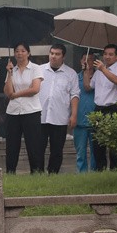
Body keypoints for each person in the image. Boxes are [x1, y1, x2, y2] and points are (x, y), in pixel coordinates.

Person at [83, 43, 117, 170]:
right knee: (98, 143)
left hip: (113, 109)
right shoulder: (97, 72)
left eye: (111, 54)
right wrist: (86, 71)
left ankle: (115, 169)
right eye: (105, 54)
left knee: (114, 143)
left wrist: (103, 69)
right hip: (99, 109)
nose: (107, 57)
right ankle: (100, 170)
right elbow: (87, 87)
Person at [3, 42, 44, 174]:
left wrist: (17, 94)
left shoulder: (35, 68)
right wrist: (9, 74)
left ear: (28, 53)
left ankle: (37, 172)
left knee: (34, 144)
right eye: (17, 51)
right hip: (13, 111)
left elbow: (35, 89)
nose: (20, 53)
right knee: (12, 145)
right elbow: (8, 93)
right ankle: (10, 172)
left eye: (23, 51)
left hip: (31, 110)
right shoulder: (12, 70)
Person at [38, 43, 79, 174]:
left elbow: (74, 95)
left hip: (60, 117)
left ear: (63, 56)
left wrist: (74, 115)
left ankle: (53, 174)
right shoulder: (39, 70)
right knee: (38, 148)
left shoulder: (71, 74)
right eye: (52, 53)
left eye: (57, 54)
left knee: (56, 149)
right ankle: (37, 173)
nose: (54, 56)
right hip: (40, 117)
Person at [74, 55, 98, 172]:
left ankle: (95, 174)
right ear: (80, 61)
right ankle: (81, 175)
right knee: (80, 152)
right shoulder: (75, 78)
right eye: (84, 59)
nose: (86, 61)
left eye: (89, 59)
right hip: (79, 121)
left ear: (94, 62)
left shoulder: (99, 77)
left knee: (96, 153)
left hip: (95, 121)